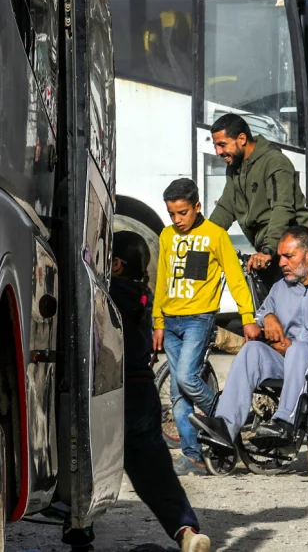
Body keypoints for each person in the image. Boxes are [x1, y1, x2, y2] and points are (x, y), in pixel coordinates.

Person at [63, 232, 212, 552]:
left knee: (83, 461)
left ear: (114, 265)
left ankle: (79, 535)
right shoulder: (140, 296)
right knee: (156, 471)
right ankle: (186, 530)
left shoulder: (105, 293)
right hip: (143, 393)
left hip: (107, 393)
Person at [190, 227, 308, 447]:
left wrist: (298, 347)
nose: (281, 262)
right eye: (280, 256)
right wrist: (268, 316)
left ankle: (284, 422)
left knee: (299, 350)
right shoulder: (281, 288)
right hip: (287, 362)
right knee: (252, 350)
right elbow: (260, 313)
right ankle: (225, 426)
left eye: (289, 256)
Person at [152, 179, 260, 475]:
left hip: (199, 319)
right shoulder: (166, 236)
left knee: (187, 378)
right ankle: (193, 455)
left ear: (197, 207)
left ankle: (226, 419)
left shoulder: (215, 235)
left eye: (183, 213)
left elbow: (236, 279)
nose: (177, 220)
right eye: (172, 214)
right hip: (170, 322)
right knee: (177, 393)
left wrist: (248, 317)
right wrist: (158, 322)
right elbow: (161, 279)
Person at [208, 113, 308, 285]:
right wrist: (202, 240)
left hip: (297, 251)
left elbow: (282, 209)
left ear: (242, 139)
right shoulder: (234, 168)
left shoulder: (274, 162)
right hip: (270, 250)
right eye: (216, 146)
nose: (218, 152)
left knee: (294, 309)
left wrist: (268, 250)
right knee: (268, 309)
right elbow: (225, 208)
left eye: (222, 145)